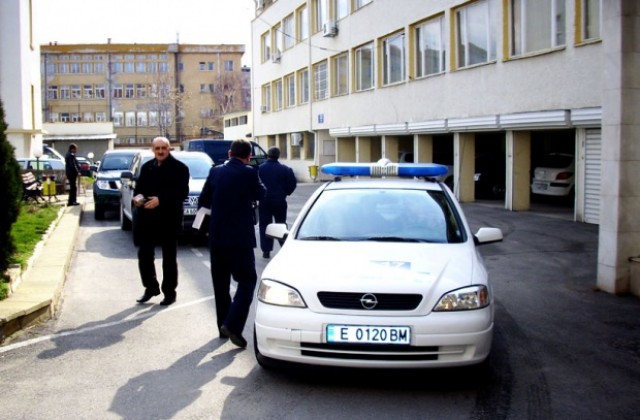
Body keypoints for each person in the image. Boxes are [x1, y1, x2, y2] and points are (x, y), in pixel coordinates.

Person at [199, 139, 265, 348]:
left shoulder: (215, 172)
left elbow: (203, 201)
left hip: (216, 237)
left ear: (229, 154)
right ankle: (233, 324)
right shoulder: (249, 172)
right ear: (248, 157)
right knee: (247, 281)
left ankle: (222, 327)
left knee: (220, 284)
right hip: (239, 238)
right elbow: (260, 194)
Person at [134, 137, 190, 306]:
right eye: (157, 148)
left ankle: (169, 292)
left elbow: (182, 192)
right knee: (144, 255)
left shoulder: (180, 168)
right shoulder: (147, 167)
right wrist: (137, 200)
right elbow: (138, 190)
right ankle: (150, 288)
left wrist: (161, 200)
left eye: (163, 148)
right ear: (153, 150)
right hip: (147, 219)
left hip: (169, 219)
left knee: (169, 258)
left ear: (169, 149)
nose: (160, 151)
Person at [257, 146, 297, 259]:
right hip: (279, 201)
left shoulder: (260, 169)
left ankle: (266, 250)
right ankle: (284, 247)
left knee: (264, 225)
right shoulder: (285, 169)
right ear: (278, 156)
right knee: (281, 224)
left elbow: (254, 184)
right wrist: (285, 193)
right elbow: (292, 185)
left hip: (264, 201)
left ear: (268, 155)